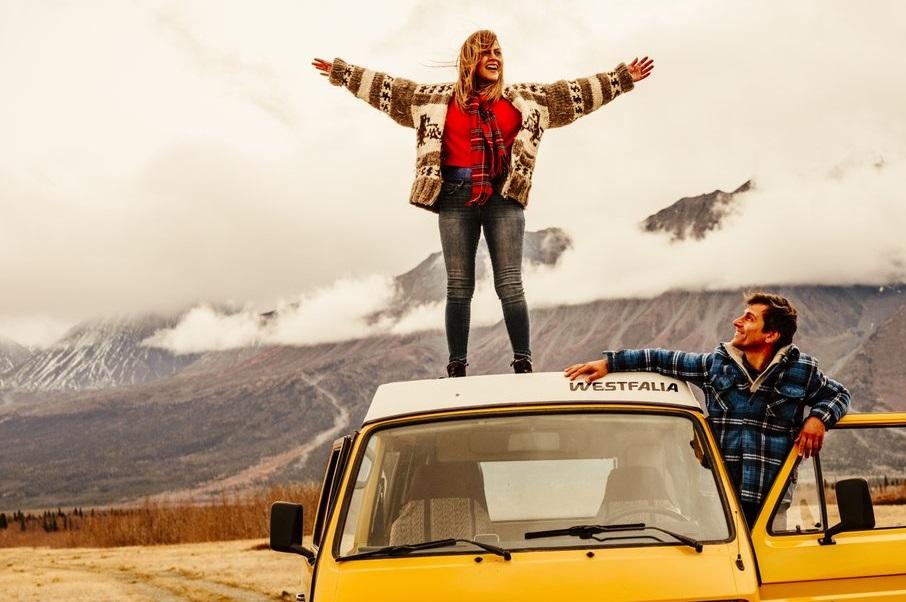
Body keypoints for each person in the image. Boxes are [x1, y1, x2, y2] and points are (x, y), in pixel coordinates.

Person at [313, 31, 654, 377]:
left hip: (503, 196)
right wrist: (344, 74)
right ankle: (456, 366)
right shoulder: (433, 100)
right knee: (458, 286)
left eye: (498, 52)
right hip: (455, 197)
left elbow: (574, 93)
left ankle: (523, 362)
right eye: (485, 52)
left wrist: (622, 79)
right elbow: (388, 90)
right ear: (469, 60)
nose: (494, 58)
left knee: (510, 283)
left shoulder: (526, 100)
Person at [564, 292, 851, 526]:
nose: (736, 321)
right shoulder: (715, 365)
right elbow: (661, 359)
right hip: (718, 503)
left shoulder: (802, 371)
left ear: (771, 334)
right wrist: (609, 364)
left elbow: (839, 395)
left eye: (749, 318)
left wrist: (818, 419)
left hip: (772, 502)